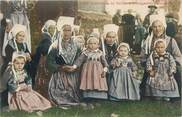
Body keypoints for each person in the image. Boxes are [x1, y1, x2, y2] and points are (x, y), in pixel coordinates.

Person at [140, 14, 182, 98]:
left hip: (168, 69)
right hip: (153, 69)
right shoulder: (147, 42)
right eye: (155, 27)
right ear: (151, 28)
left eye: (160, 26)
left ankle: (171, 94)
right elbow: (142, 57)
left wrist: (171, 65)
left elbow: (178, 56)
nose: (157, 29)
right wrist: (150, 65)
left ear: (164, 27)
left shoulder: (170, 40)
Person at [46, 16, 81, 108]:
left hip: (73, 73)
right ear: (60, 31)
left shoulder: (76, 45)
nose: (66, 33)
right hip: (59, 74)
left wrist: (74, 66)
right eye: (64, 30)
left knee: (76, 94)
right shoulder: (54, 46)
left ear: (72, 31)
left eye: (69, 30)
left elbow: (80, 58)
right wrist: (61, 67)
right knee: (61, 94)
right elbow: (49, 62)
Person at [71, 36, 108, 105]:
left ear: (98, 45)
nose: (92, 45)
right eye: (90, 43)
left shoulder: (100, 53)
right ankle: (88, 96)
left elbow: (104, 63)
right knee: (88, 81)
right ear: (87, 45)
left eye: (94, 43)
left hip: (98, 71)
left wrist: (105, 70)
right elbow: (79, 60)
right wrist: (75, 66)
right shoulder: (85, 53)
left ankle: (98, 97)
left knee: (98, 82)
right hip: (87, 71)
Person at [31, 20, 56, 98]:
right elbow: (45, 50)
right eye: (51, 28)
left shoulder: (48, 37)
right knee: (43, 76)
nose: (53, 30)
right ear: (47, 29)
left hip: (43, 59)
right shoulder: (46, 38)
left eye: (54, 28)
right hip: (43, 60)